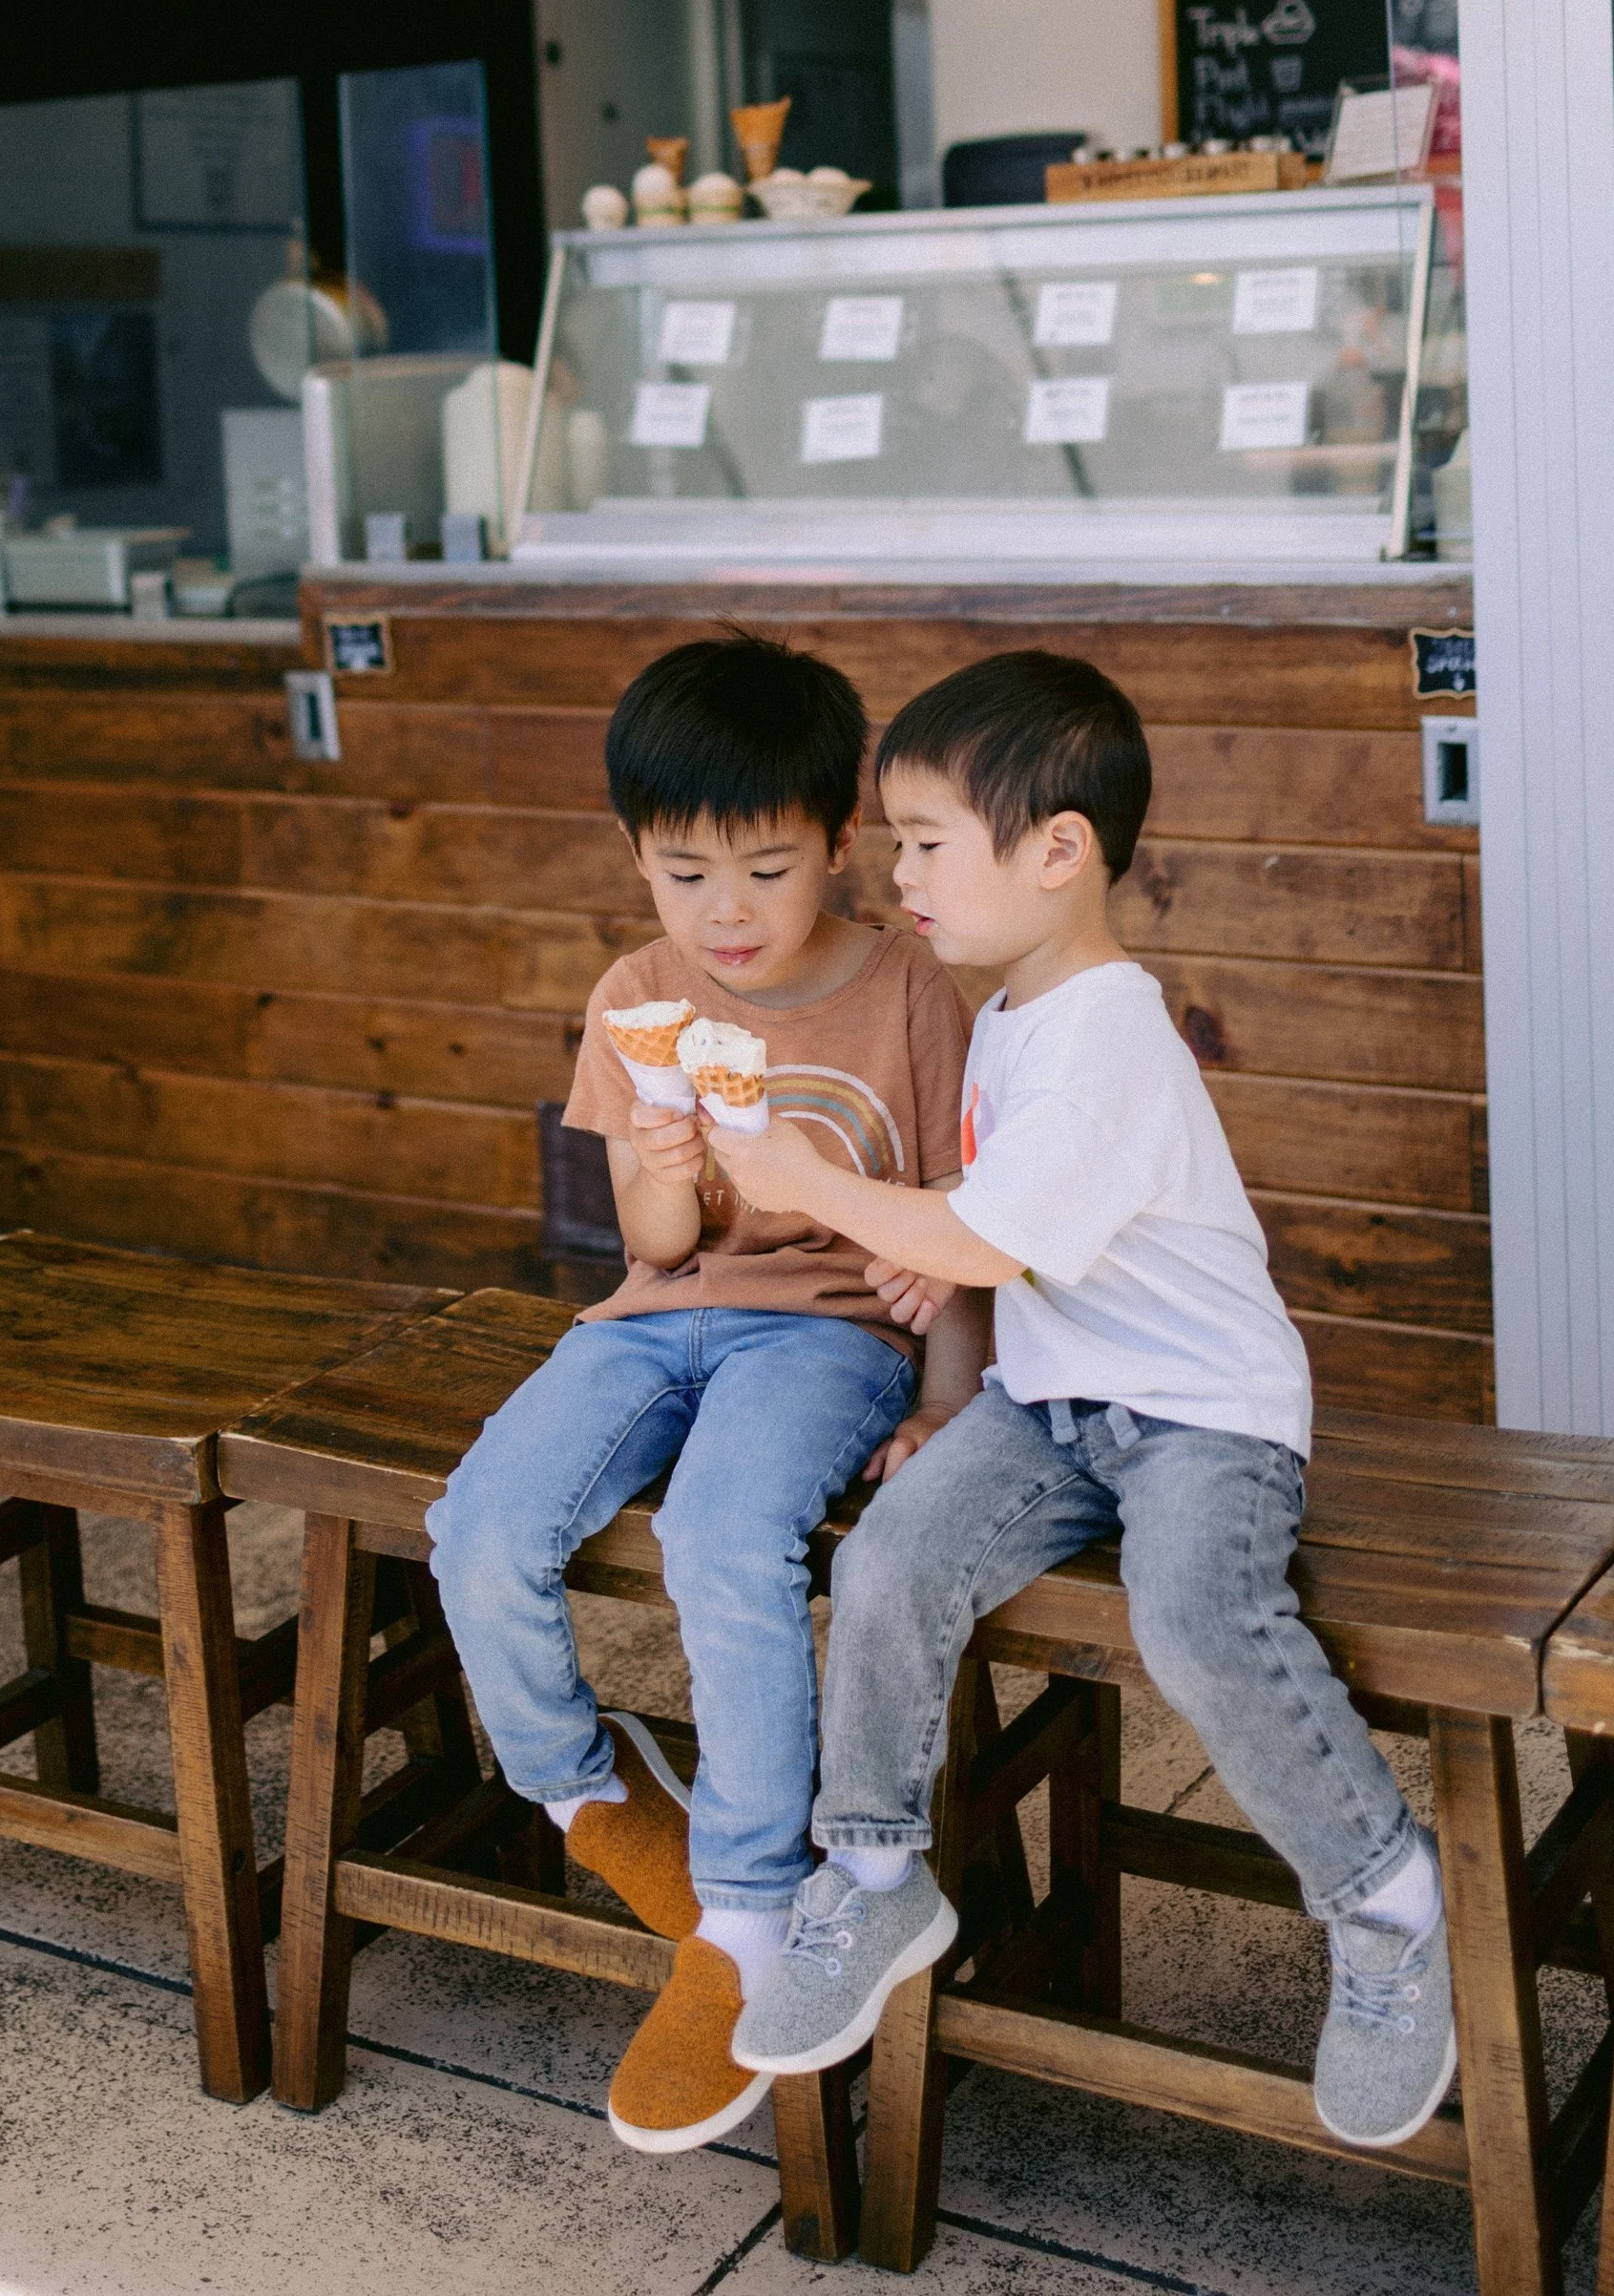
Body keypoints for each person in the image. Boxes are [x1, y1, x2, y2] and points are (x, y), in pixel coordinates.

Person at [711, 647, 1455, 2157]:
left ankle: (1388, 1897)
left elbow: (986, 1230)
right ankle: (873, 1874)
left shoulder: (1105, 1026)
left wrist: (823, 1188)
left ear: (1058, 849)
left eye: (926, 838)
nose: (898, 866)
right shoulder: (1012, 1011)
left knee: (1194, 1610)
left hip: (1197, 1412)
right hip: (1055, 1403)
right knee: (888, 1559)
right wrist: (948, 1287)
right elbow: (996, 1226)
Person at [426, 628, 981, 2157]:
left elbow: (956, 1225)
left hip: (826, 1335)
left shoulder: (912, 988)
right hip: (655, 1315)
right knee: (475, 1525)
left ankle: (742, 1907)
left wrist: (948, 1395)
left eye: (763, 866)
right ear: (637, 856)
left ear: (838, 844)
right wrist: (668, 1179)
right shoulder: (636, 990)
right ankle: (591, 1797)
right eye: (684, 873)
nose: (723, 912)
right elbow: (650, 1247)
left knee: (726, 1544)